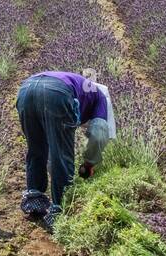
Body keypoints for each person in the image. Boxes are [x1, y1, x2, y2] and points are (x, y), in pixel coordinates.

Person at [16, 71, 115, 231]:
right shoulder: (100, 97)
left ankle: (34, 199)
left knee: (36, 148)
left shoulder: (83, 88)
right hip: (57, 93)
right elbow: (98, 134)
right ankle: (60, 209)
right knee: (61, 155)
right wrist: (89, 164)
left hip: (26, 89)